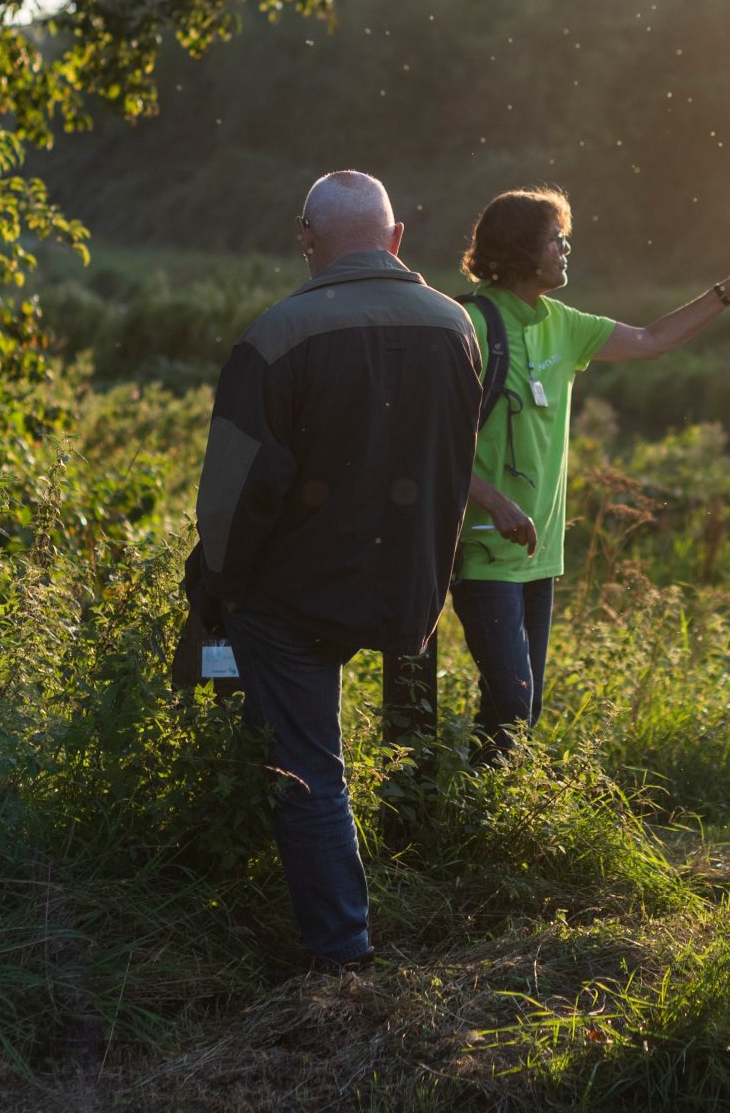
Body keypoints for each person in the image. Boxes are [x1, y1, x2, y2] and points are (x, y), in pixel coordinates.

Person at [182, 170, 482, 972]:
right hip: (408, 588)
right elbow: (451, 460)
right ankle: (385, 873)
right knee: (344, 749)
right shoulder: (455, 326)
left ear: (306, 238)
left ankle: (340, 953)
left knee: (308, 769)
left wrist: (217, 586)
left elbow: (235, 496)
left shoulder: (277, 336)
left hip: (295, 593)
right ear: (395, 238)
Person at [450, 186, 730, 757]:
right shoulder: (468, 327)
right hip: (483, 549)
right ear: (520, 249)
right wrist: (496, 503)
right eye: (556, 239)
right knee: (509, 698)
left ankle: (482, 814)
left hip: (539, 551)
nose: (566, 249)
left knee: (522, 707)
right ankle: (466, 818)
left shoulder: (563, 323)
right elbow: (430, 443)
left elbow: (653, 341)